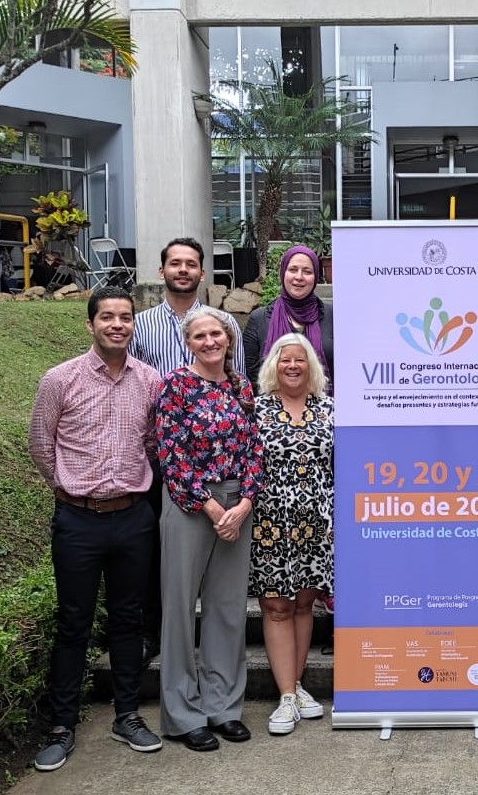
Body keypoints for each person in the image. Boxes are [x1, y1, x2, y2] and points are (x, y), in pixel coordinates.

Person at [28, 286, 164, 772]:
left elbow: (153, 442)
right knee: (73, 623)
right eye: (107, 317)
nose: (117, 325)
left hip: (132, 519)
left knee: (128, 620)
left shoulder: (149, 380)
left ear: (133, 326)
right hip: (78, 519)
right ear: (90, 324)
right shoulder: (59, 379)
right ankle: (62, 726)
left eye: (125, 318)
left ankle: (126, 715)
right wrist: (73, 491)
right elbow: (42, 446)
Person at [130, 237, 246, 664]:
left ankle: (217, 672)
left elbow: (239, 393)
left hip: (222, 466)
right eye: (175, 263)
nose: (183, 269)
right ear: (162, 271)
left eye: (191, 264)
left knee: (220, 578)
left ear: (202, 272)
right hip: (163, 456)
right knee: (163, 560)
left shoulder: (222, 324)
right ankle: (154, 635)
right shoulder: (141, 326)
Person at [156, 307, 261, 752]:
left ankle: (223, 706)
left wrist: (245, 502)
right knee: (181, 608)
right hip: (190, 502)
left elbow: (256, 446)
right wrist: (213, 509)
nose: (209, 341)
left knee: (227, 606)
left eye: (216, 333)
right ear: (189, 342)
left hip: (239, 501)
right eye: (200, 335)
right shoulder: (176, 386)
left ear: (228, 338)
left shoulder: (241, 386)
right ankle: (183, 713)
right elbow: (170, 451)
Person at [250, 333, 334, 735]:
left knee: (304, 607)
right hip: (270, 525)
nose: (293, 366)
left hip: (318, 525)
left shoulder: (329, 410)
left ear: (312, 366)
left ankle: (298, 686)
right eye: (286, 360)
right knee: (277, 608)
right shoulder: (256, 409)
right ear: (274, 366)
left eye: (301, 360)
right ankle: (285, 697)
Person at [242, 245, 334, 387]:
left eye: (307, 271)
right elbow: (250, 374)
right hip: (272, 406)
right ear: (283, 273)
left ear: (316, 276)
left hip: (325, 406)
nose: (299, 277)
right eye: (293, 270)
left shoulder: (333, 316)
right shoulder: (259, 319)